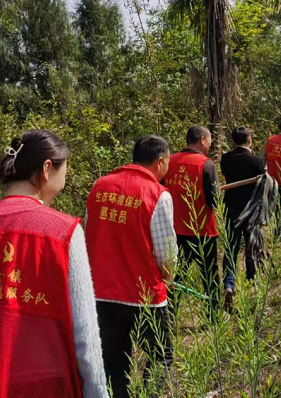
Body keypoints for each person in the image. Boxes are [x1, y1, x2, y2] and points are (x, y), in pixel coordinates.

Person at [0, 129, 108, 398]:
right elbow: (85, 337)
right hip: (51, 384)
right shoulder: (65, 233)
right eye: (65, 172)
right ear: (47, 169)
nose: (65, 180)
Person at [84, 135, 177, 397]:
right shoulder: (157, 195)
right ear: (160, 161)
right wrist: (167, 278)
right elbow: (166, 253)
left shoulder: (99, 187)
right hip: (144, 295)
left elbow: (87, 232)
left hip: (101, 294)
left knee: (115, 363)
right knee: (162, 354)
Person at [164, 125, 220, 316]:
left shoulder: (168, 162)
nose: (210, 144)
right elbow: (215, 200)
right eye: (210, 140)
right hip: (202, 231)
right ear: (203, 140)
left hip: (174, 231)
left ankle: (170, 317)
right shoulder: (206, 164)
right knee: (210, 276)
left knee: (175, 277)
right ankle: (213, 317)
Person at [219, 126, 265, 311]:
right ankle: (251, 282)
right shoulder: (256, 161)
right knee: (251, 246)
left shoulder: (226, 159)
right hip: (251, 211)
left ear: (233, 141)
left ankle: (229, 284)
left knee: (230, 248)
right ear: (250, 140)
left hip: (231, 208)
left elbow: (226, 177)